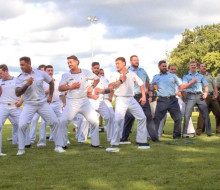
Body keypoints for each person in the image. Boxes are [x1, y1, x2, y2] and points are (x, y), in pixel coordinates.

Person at [15, 56, 65, 155]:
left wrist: (50, 95)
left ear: (29, 64)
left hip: (42, 103)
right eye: (20, 65)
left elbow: (51, 82)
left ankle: (58, 146)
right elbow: (17, 93)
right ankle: (21, 149)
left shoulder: (40, 73)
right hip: (29, 104)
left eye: (22, 65)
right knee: (22, 125)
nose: (21, 67)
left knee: (54, 122)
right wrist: (26, 84)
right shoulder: (20, 77)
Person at [58, 55, 101, 148]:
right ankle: (62, 144)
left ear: (77, 62)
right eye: (68, 63)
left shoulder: (85, 72)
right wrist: (70, 87)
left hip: (84, 101)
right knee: (63, 121)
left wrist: (92, 86)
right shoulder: (66, 75)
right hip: (72, 102)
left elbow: (97, 78)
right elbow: (60, 87)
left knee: (95, 121)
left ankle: (95, 144)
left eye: (71, 62)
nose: (69, 64)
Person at [108, 57, 149, 152]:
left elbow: (141, 84)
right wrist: (120, 80)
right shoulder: (114, 74)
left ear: (124, 63)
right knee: (117, 120)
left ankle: (141, 141)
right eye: (116, 63)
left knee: (142, 117)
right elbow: (110, 86)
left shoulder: (132, 73)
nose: (116, 65)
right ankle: (114, 143)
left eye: (118, 63)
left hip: (131, 99)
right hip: (120, 99)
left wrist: (143, 96)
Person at [120, 55, 158, 143]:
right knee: (129, 117)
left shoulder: (143, 71)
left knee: (148, 117)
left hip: (143, 96)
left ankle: (155, 138)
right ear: (130, 62)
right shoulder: (128, 72)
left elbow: (147, 81)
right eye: (134, 60)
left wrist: (147, 91)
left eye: (137, 60)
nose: (136, 61)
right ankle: (124, 138)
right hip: (132, 97)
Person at [150, 60, 183, 139]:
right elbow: (150, 88)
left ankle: (177, 136)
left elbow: (180, 85)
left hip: (173, 100)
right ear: (159, 67)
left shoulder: (172, 75)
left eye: (165, 66)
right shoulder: (156, 77)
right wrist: (153, 88)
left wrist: (180, 91)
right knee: (157, 118)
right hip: (162, 101)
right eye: (163, 66)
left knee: (178, 118)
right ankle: (154, 137)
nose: (164, 67)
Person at [37, 65, 65, 146]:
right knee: (43, 123)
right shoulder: (41, 82)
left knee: (59, 121)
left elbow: (62, 94)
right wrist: (45, 92)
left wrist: (64, 102)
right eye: (48, 70)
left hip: (57, 103)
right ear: (45, 72)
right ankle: (42, 142)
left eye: (51, 70)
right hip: (46, 104)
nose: (50, 72)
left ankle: (57, 138)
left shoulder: (57, 82)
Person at [182, 61, 212, 137]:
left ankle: (209, 132)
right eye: (192, 65)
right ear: (189, 66)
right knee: (187, 115)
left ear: (196, 67)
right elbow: (184, 86)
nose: (193, 66)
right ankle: (184, 132)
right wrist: (192, 82)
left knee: (205, 114)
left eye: (194, 65)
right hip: (191, 96)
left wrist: (206, 93)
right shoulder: (186, 76)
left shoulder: (200, 76)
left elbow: (206, 85)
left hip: (199, 96)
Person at [0, 64, 23, 156]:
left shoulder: (17, 81)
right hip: (2, 106)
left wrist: (21, 102)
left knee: (22, 124)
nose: (0, 75)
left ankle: (21, 148)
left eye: (1, 73)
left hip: (15, 107)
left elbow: (25, 93)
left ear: (6, 71)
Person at [88, 62, 115, 142]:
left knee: (109, 117)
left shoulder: (103, 78)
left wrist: (101, 90)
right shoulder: (88, 78)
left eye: (97, 68)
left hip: (101, 100)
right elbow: (83, 92)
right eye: (95, 68)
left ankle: (110, 137)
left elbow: (109, 90)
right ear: (92, 68)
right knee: (92, 121)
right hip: (90, 101)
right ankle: (92, 140)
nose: (96, 69)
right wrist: (92, 96)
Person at [196, 63, 220, 134]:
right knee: (202, 114)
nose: (204, 67)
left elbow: (215, 86)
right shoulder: (197, 76)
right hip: (203, 96)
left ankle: (218, 129)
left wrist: (216, 95)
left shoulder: (210, 76)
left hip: (212, 96)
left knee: (218, 112)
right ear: (199, 68)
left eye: (204, 66)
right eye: (202, 66)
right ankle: (199, 130)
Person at [29, 64, 46, 143]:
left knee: (43, 122)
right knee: (34, 120)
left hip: (44, 104)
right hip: (35, 103)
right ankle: (31, 139)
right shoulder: (36, 80)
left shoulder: (47, 81)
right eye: (41, 70)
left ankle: (42, 141)